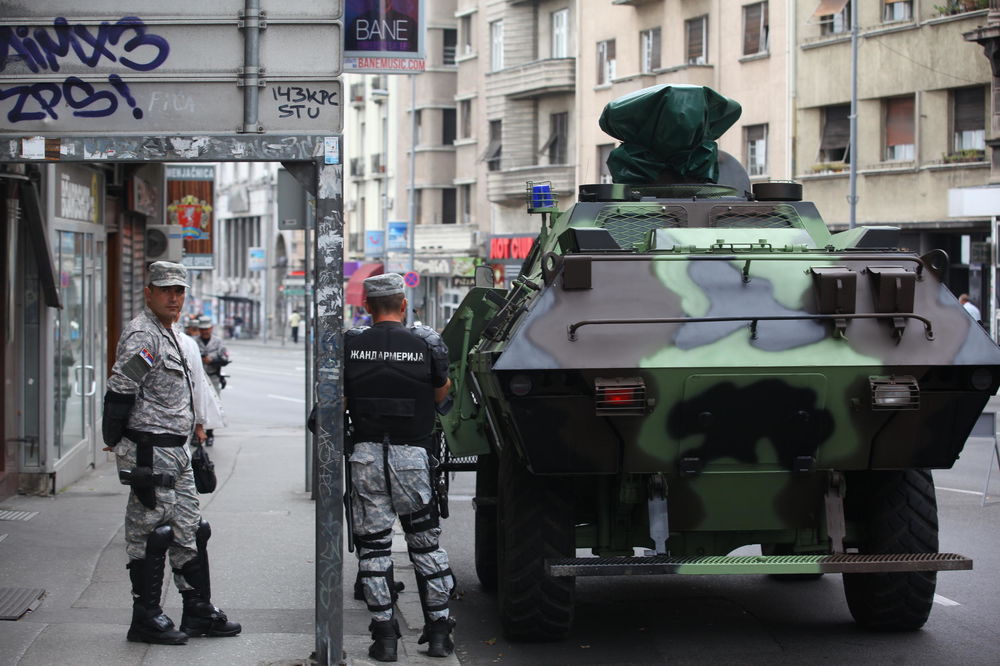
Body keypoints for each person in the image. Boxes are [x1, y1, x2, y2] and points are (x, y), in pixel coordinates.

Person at [101, 261, 240, 645]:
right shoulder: (143, 335)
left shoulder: (171, 334)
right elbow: (121, 386)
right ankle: (145, 617)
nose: (174, 297)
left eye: (179, 290)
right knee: (151, 534)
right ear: (149, 292)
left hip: (176, 451)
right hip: (149, 450)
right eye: (166, 290)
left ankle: (197, 610)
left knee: (191, 528)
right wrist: (113, 437)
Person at [344, 273, 456, 662]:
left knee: (374, 552)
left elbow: (334, 404)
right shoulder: (426, 344)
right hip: (413, 460)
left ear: (366, 307)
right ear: (403, 304)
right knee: (426, 547)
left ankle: (386, 638)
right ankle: (439, 633)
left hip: (367, 458)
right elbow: (444, 397)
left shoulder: (351, 345)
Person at [196, 316, 230, 446]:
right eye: (202, 329)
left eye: (207, 329)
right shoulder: (194, 342)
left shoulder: (218, 342)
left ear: (211, 328)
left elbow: (225, 360)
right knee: (199, 405)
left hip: (213, 377)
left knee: (212, 406)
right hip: (199, 379)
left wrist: (212, 360)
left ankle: (210, 434)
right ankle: (198, 432)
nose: (205, 331)